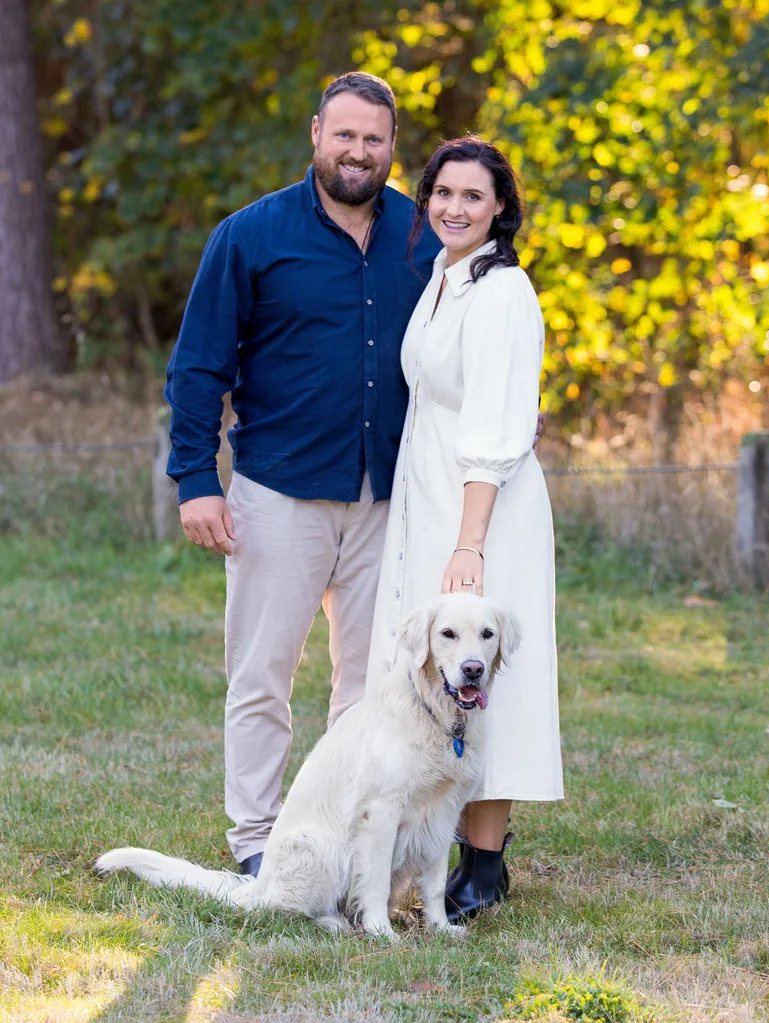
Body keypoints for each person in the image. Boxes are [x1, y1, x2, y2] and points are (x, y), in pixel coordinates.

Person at [164, 72, 440, 877]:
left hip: (389, 497)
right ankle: (256, 841)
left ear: (393, 147)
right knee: (261, 677)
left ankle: (353, 841)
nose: (359, 152)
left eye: (375, 139)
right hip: (278, 490)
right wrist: (195, 478)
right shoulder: (250, 235)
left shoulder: (423, 237)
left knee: (371, 686)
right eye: (345, 134)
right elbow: (197, 368)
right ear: (316, 132)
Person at [366, 137, 563, 921]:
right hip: (433, 501)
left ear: (501, 209)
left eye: (472, 196)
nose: (453, 207)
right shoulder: (447, 278)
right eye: (441, 193)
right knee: (435, 674)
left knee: (488, 671)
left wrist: (469, 541)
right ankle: (431, 849)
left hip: (483, 510)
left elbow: (493, 423)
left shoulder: (503, 290)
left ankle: (485, 865)